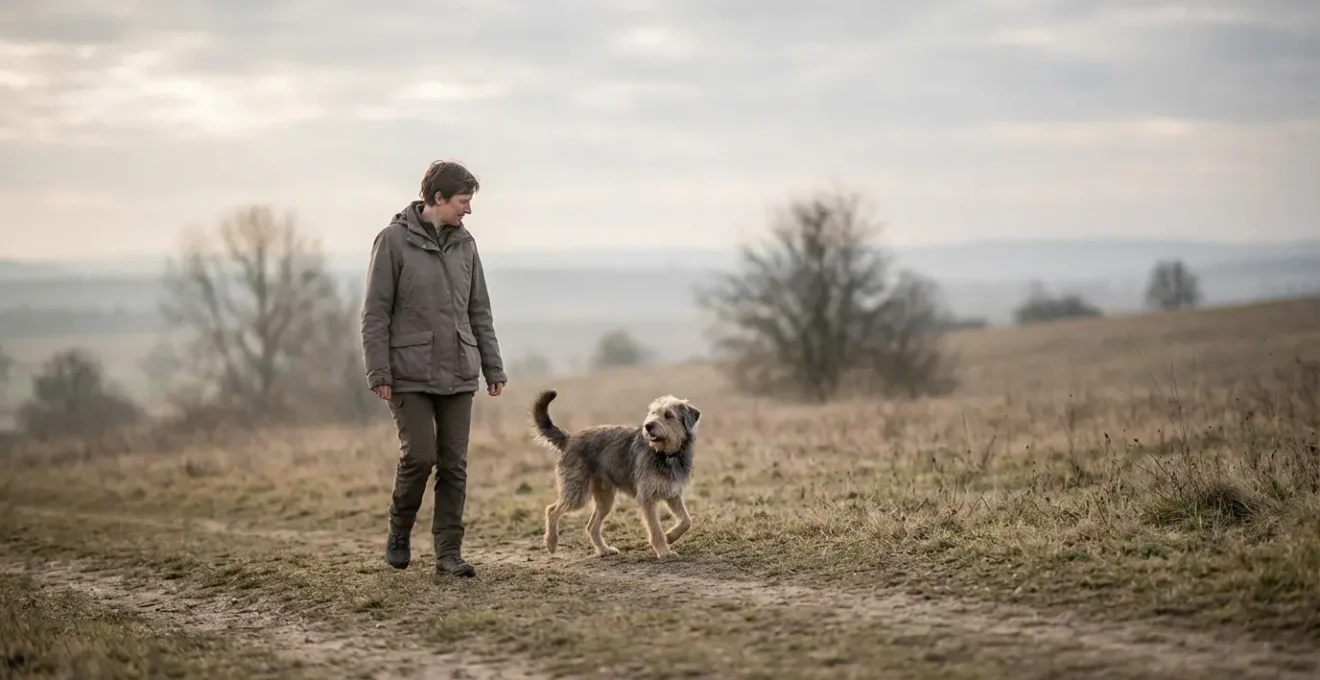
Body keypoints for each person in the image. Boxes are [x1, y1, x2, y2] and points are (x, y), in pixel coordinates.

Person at [360, 160, 507, 578]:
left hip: (459, 370)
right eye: (463, 202)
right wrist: (379, 372)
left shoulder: (467, 245)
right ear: (437, 199)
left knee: (454, 464)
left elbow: (479, 310)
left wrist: (492, 366)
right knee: (420, 456)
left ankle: (448, 553)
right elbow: (375, 314)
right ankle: (399, 530)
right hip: (408, 372)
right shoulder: (391, 242)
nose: (468, 210)